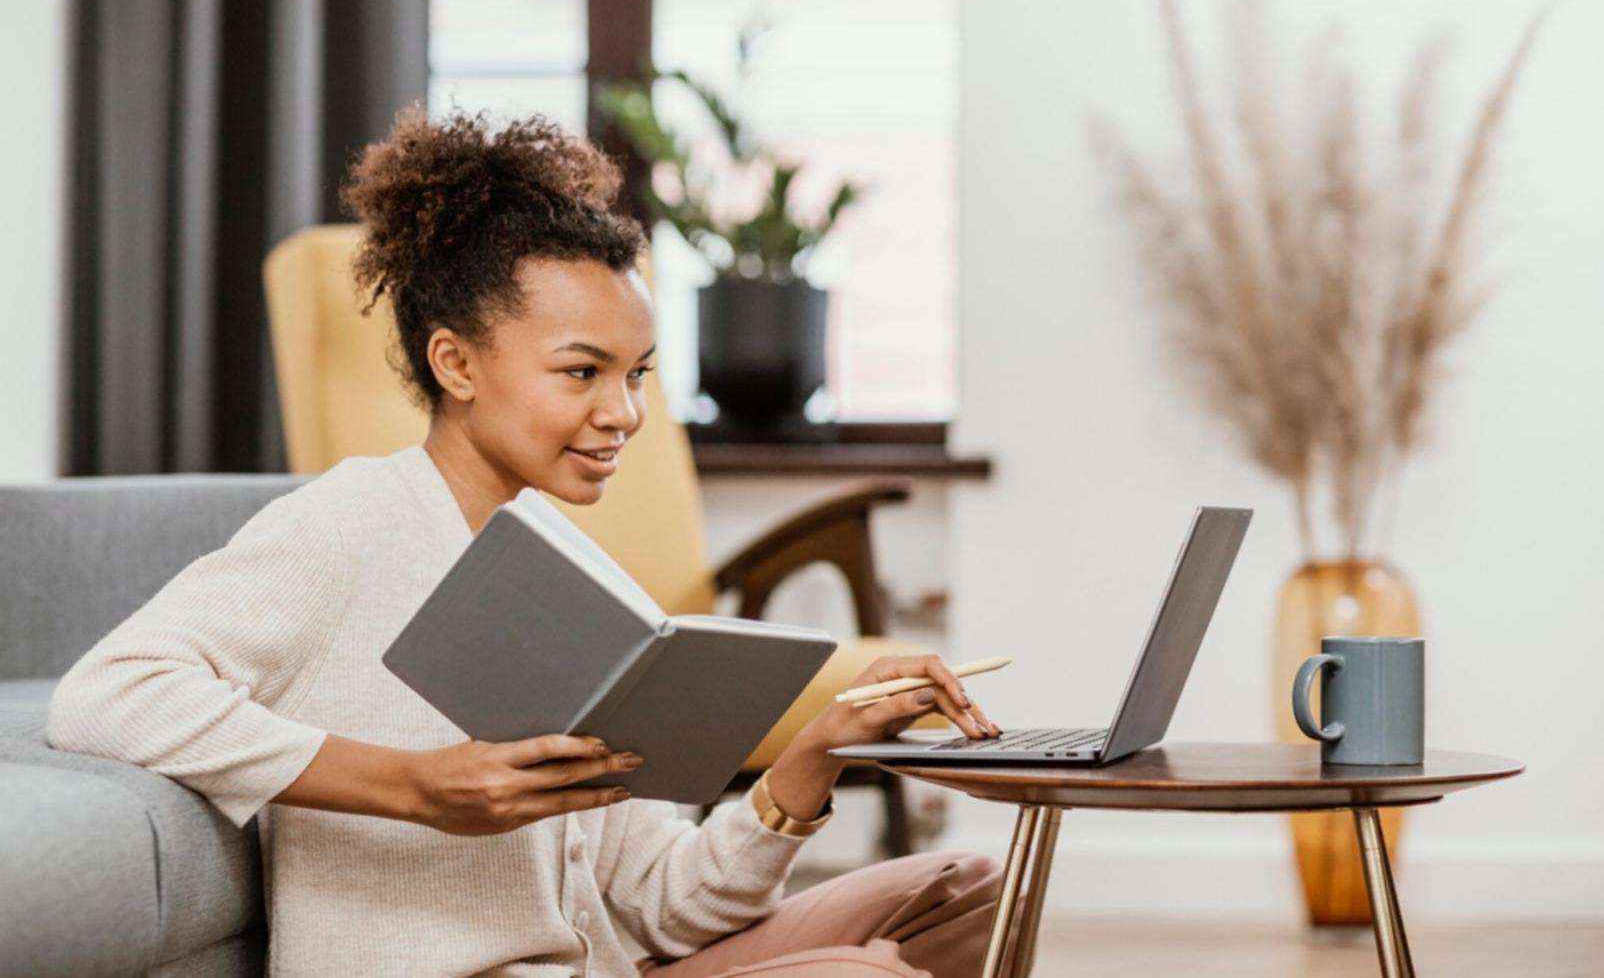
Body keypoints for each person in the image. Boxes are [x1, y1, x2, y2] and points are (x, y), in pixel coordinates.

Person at [47, 108, 1010, 978]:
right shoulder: (347, 525)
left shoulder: (582, 575)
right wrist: (415, 786)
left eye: (636, 374)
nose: (623, 412)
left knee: (968, 888)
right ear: (455, 362)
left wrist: (816, 752)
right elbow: (109, 691)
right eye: (581, 371)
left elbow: (668, 904)